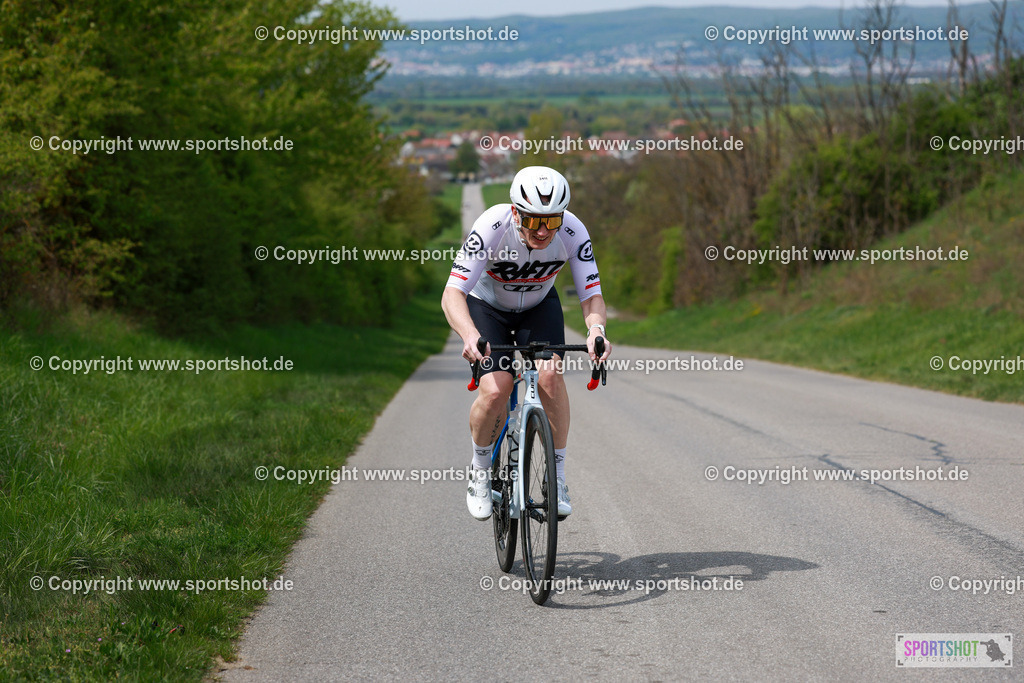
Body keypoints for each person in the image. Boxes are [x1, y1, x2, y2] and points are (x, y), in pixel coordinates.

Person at [441, 165, 612, 521]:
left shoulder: (573, 232)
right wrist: (470, 335)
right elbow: (452, 293)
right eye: (534, 221)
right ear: (516, 212)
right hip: (487, 307)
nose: (543, 230)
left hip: (539, 306)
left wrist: (596, 331)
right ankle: (480, 469)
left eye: (552, 220)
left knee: (550, 376)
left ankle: (558, 478)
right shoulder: (491, 227)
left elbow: (591, 295)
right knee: (496, 389)